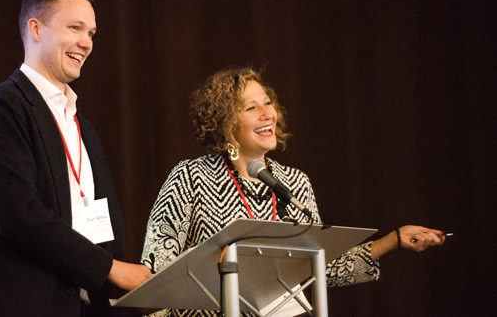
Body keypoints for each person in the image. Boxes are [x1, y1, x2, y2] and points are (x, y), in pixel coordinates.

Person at [141, 67, 446, 317]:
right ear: (225, 123)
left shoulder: (294, 183)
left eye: (267, 103)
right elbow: (159, 270)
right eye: (251, 107)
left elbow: (323, 268)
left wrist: (394, 240)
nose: (267, 114)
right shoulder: (192, 176)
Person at [0, 0, 151, 317]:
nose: (86, 43)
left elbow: (101, 225)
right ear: (36, 28)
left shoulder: (81, 125)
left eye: (91, 33)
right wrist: (112, 269)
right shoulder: (2, 107)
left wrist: (127, 297)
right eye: (75, 28)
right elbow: (19, 215)